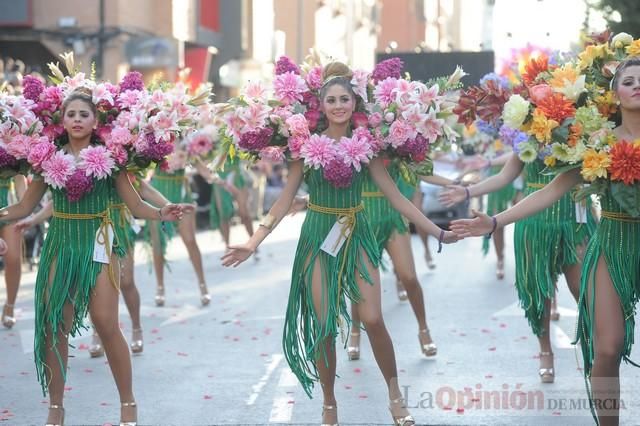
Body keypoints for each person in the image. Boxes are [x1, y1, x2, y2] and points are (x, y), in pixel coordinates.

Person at [222, 62, 459, 425]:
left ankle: (395, 393)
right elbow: (285, 199)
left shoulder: (369, 145)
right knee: (323, 326)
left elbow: (397, 197)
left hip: (356, 231)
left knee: (373, 317)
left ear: (354, 103)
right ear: (321, 105)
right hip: (318, 235)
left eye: (344, 99)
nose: (338, 105)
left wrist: (438, 232)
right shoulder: (303, 147)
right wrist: (253, 242)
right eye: (330, 99)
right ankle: (329, 404)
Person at [449, 57, 640, 426]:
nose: (637, 85)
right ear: (613, 93)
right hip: (612, 245)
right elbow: (552, 191)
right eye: (628, 80)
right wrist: (494, 222)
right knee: (607, 347)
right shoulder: (597, 142)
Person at [0, 89, 186, 425]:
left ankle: (128, 404)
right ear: (62, 120)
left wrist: (163, 213)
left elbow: (136, 206)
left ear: (95, 121)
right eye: (70, 114)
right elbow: (25, 206)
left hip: (98, 244)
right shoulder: (45, 161)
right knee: (55, 325)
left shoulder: (113, 160)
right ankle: (56, 409)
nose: (76, 120)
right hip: (61, 245)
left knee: (106, 323)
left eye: (83, 114)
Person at [440, 145, 595, 384]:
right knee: (538, 291)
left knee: (586, 291)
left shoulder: (584, 124)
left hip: (575, 218)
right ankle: (545, 351)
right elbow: (505, 175)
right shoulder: (529, 127)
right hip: (534, 222)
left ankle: (593, 351)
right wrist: (468, 192)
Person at [16, 177, 176, 356]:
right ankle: (97, 332)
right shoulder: (77, 160)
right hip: (92, 227)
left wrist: (168, 205)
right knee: (94, 285)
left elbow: (145, 191)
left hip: (119, 223)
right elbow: (60, 201)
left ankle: (137, 328)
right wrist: (34, 220)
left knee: (127, 281)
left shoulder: (121, 160)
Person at [147, 166, 210, 307]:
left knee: (190, 240)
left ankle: (202, 284)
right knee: (158, 244)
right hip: (159, 191)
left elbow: (197, 161)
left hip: (182, 192)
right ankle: (160, 287)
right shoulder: (151, 142)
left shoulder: (186, 143)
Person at [0, 175, 26, 329]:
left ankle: (10, 305)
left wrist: (26, 208)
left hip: (8, 203)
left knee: (13, 258)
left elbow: (19, 175)